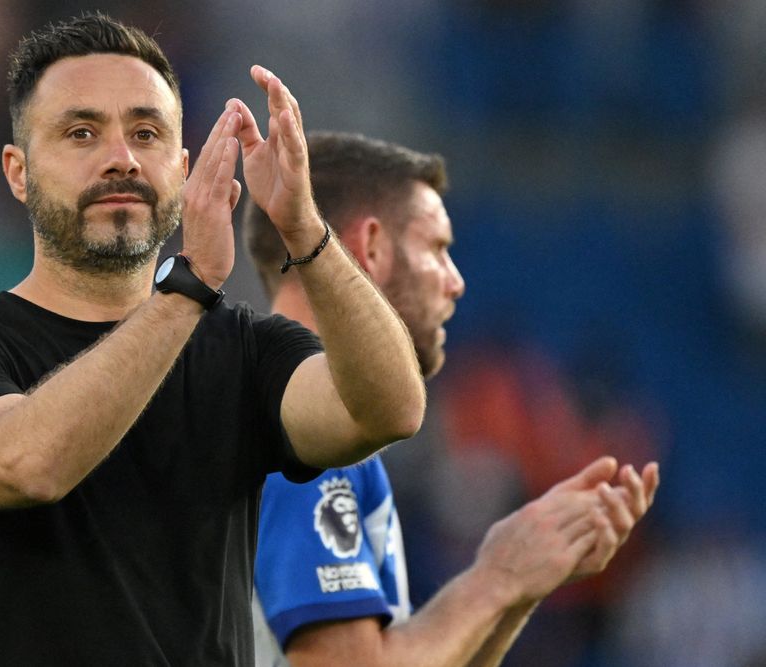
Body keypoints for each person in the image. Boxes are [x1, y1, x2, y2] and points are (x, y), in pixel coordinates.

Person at [0, 14, 427, 666]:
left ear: (181, 167)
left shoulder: (245, 352)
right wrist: (190, 287)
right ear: (18, 171)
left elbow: (389, 408)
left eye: (146, 133)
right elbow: (30, 463)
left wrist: (305, 230)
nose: (121, 158)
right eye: (81, 133)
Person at [245, 132, 661, 667]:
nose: (456, 282)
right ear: (371, 248)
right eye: (437, 249)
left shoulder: (270, 399)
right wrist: (497, 579)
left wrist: (521, 579)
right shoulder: (306, 428)